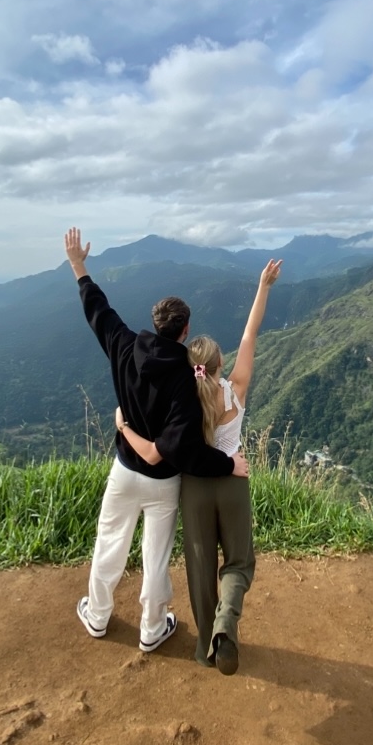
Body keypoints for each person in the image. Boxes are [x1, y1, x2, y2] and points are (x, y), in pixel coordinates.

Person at [64, 227, 249, 655]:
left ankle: (97, 615)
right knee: (155, 555)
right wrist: (227, 465)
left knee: (110, 540)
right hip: (164, 481)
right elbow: (185, 449)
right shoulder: (189, 380)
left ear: (155, 323)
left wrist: (78, 264)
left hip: (125, 470)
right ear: (185, 331)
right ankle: (152, 627)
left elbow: (99, 311)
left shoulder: (124, 345)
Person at [117, 259, 282, 675]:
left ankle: (204, 648)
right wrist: (263, 285)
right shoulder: (235, 391)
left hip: (193, 485)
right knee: (239, 561)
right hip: (232, 480)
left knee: (200, 565)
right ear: (220, 365)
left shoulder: (185, 392)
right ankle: (227, 625)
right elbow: (250, 332)